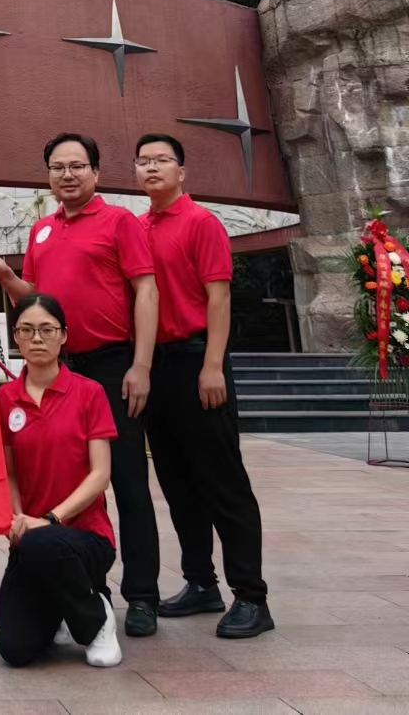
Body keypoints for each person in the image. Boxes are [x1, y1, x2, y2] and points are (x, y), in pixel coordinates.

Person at [0, 131, 161, 635]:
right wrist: (5, 276)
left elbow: (146, 290)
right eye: (58, 167)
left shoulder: (120, 222)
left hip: (111, 366)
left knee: (127, 480)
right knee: (61, 481)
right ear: (48, 176)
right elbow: (35, 301)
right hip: (57, 370)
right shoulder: (41, 231)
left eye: (77, 166)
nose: (68, 175)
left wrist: (140, 366)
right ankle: (79, 585)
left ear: (96, 173)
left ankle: (142, 596)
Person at [135, 133, 273, 639]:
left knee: (223, 481)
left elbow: (219, 298)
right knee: (177, 483)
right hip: (156, 367)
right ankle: (200, 582)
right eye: (143, 161)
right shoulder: (139, 227)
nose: (152, 168)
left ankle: (251, 596)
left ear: (182, 171)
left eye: (162, 160)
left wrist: (213, 364)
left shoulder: (200, 222)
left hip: (197, 360)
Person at [0, 293, 122, 670]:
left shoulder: (88, 392)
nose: (37, 338)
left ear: (63, 336)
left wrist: (50, 520)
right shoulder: (5, 398)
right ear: (15, 337)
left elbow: (100, 475)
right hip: (32, 542)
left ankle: (96, 619)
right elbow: (9, 473)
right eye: (26, 330)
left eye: (46, 330)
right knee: (15, 650)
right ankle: (64, 606)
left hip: (85, 538)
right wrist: (17, 519)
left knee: (45, 541)